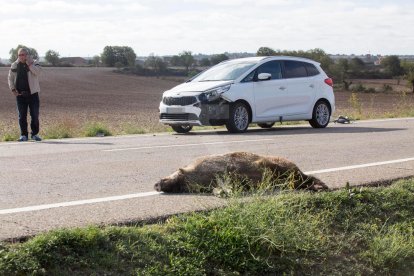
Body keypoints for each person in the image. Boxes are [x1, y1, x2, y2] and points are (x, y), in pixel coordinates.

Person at [8, 48, 42, 141]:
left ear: (27, 55)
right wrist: (13, 89)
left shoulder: (34, 62)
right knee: (22, 116)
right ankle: (24, 135)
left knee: (35, 115)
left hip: (33, 94)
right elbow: (10, 78)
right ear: (18, 56)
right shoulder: (14, 65)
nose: (22, 57)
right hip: (20, 95)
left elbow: (38, 72)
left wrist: (29, 64)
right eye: (20, 55)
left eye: (23, 55)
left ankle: (34, 134)